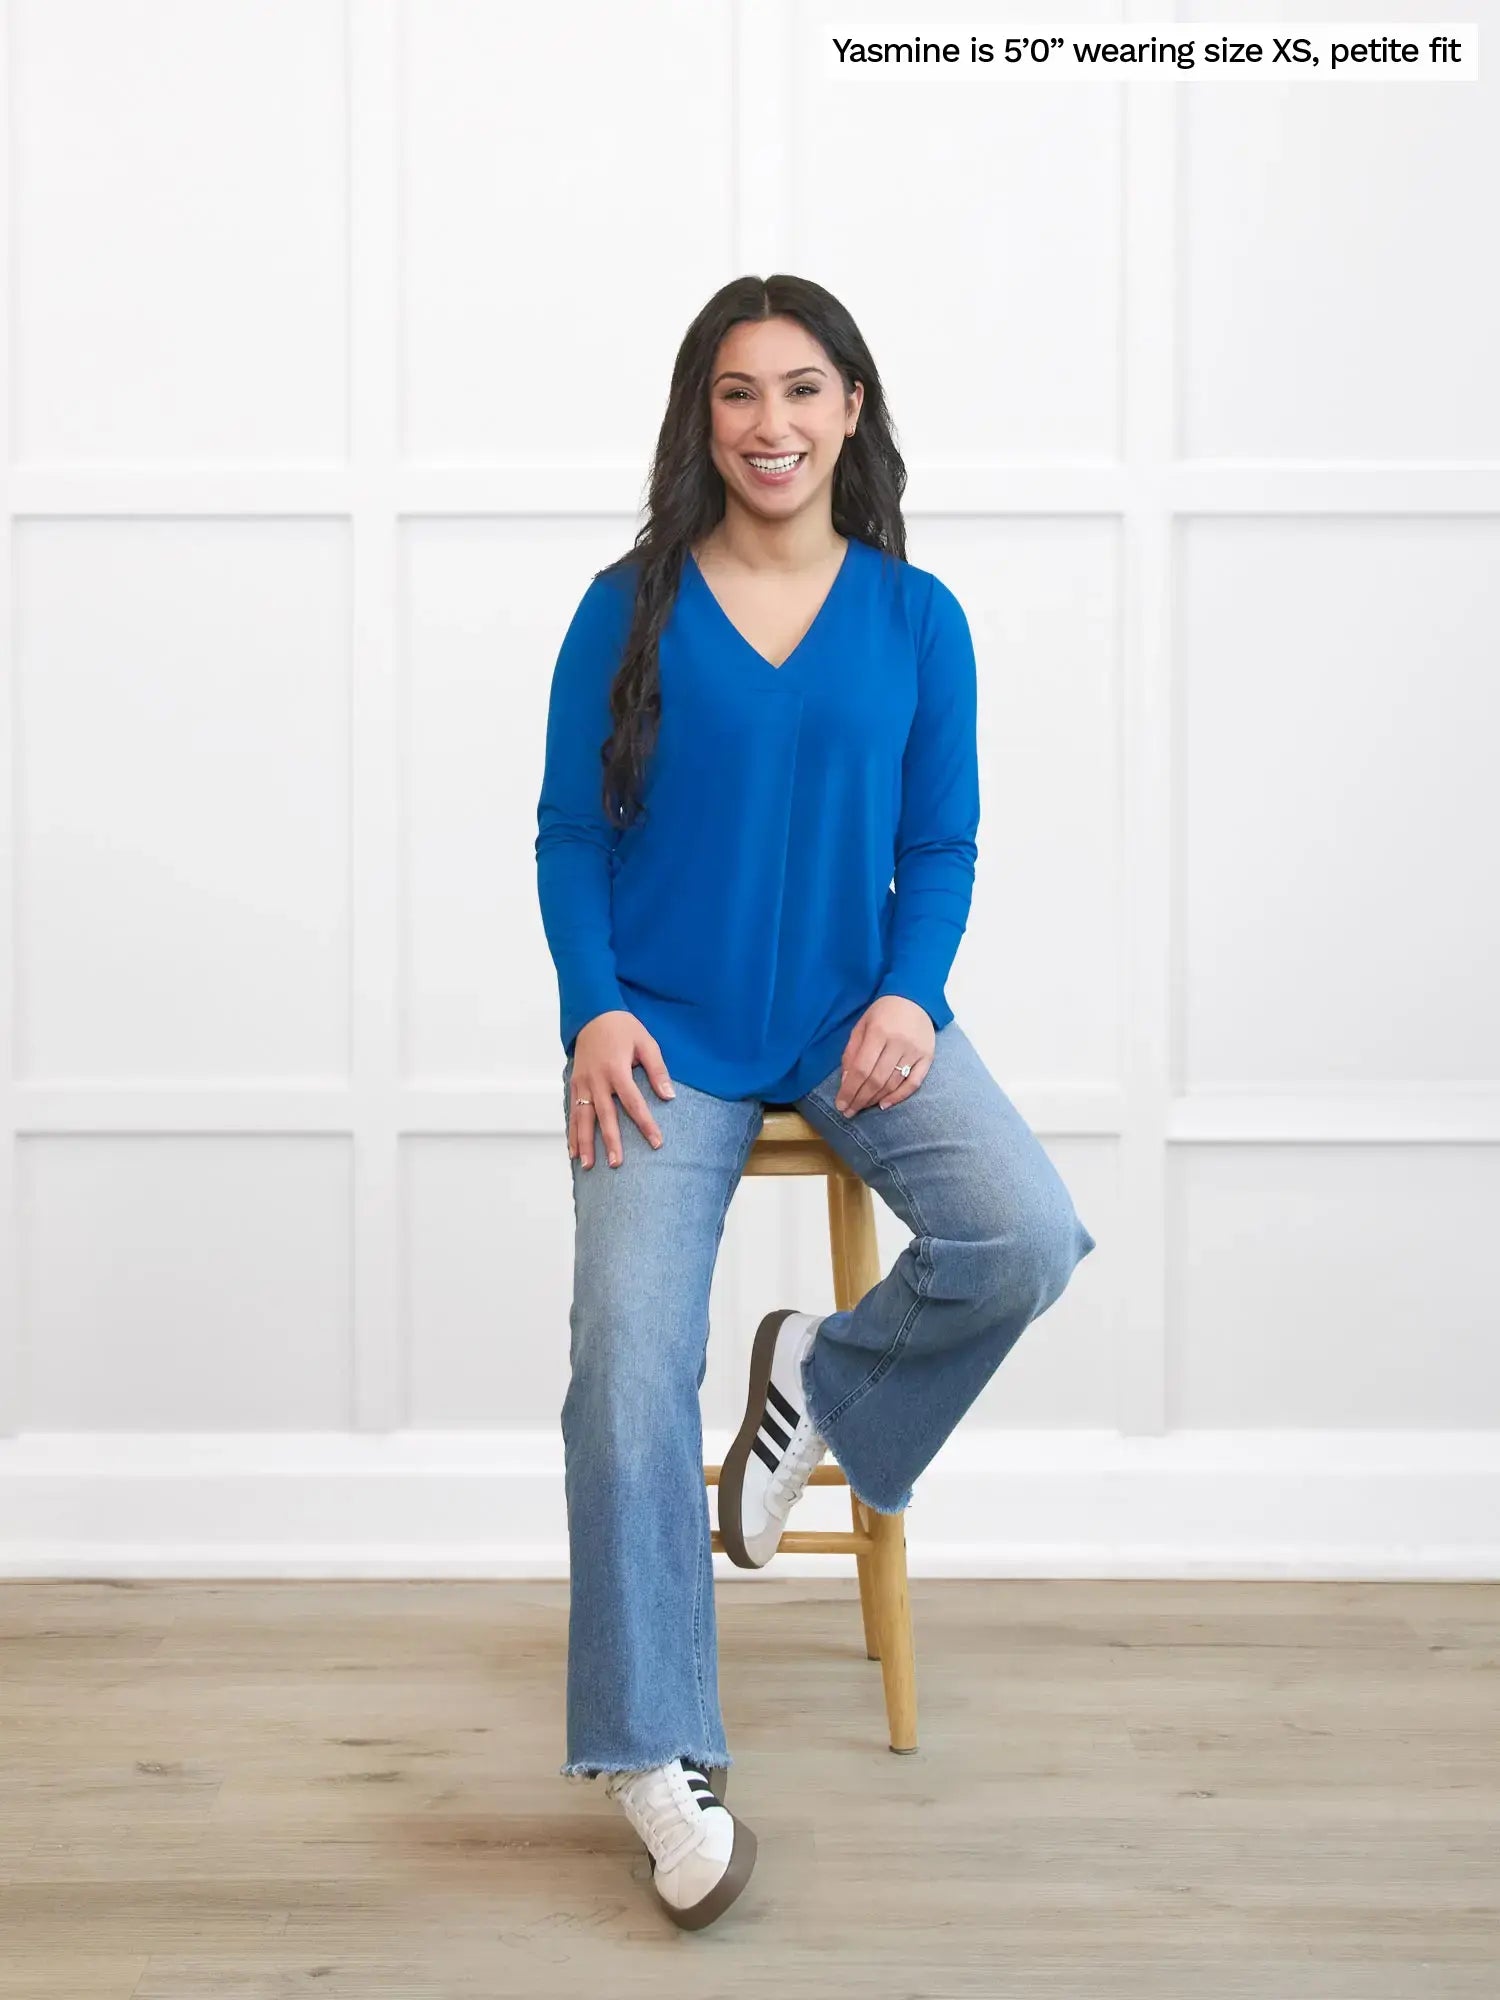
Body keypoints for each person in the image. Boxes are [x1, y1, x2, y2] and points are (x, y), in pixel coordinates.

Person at [534, 274, 1096, 1930]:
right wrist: (595, 1013)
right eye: (735, 394)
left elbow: (941, 847)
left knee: (1028, 1238)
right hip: (671, 1037)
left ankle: (822, 1391)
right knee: (624, 1366)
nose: (769, 425)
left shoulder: (920, 621)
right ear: (699, 420)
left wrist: (915, 996)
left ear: (853, 407)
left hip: (863, 1024)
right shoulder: (623, 606)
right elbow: (570, 835)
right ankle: (655, 1752)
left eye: (800, 389)